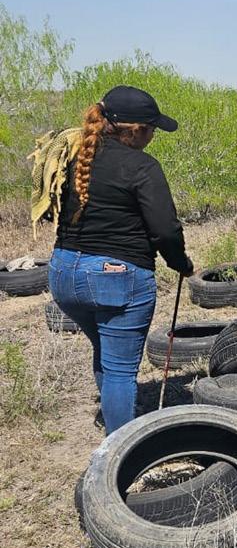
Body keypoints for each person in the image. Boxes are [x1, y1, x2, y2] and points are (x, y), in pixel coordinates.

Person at [47, 85, 193, 435]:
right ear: (135, 130)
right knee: (120, 371)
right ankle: (122, 450)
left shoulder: (75, 156)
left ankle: (117, 418)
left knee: (105, 349)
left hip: (63, 273)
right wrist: (181, 263)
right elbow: (165, 231)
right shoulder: (142, 166)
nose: (153, 135)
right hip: (115, 277)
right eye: (152, 129)